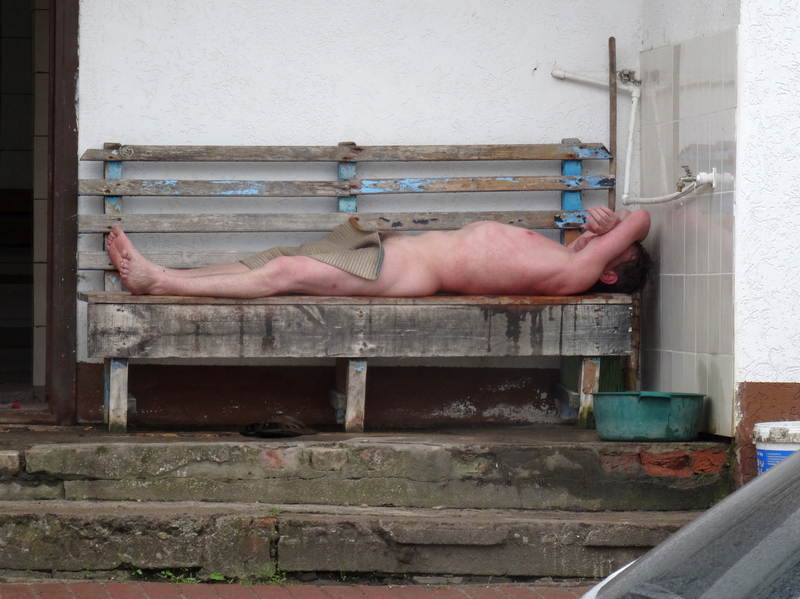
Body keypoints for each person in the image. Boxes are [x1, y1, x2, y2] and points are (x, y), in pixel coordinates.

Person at [105, 206, 651, 298]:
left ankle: (160, 282)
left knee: (285, 271)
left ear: (608, 273)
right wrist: (599, 232)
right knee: (278, 256)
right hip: (397, 253)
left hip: (407, 273)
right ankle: (165, 272)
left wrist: (618, 228)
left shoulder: (576, 274)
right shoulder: (570, 257)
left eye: (613, 246)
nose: (602, 238)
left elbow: (643, 219)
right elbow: (619, 230)